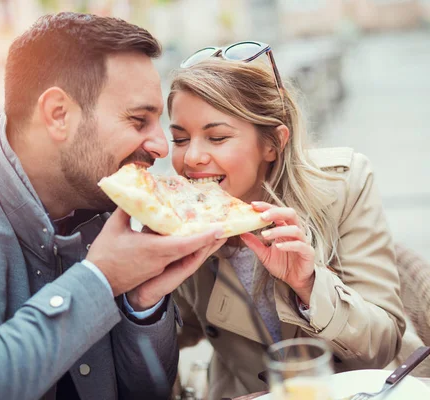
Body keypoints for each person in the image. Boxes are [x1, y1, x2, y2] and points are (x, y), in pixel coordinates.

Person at [0, 13, 226, 400]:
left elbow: (150, 391)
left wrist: (141, 306)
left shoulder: (113, 205)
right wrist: (100, 280)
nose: (162, 146)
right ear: (58, 115)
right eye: (138, 120)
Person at [167, 43, 409, 399]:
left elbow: (383, 343)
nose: (192, 156)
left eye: (217, 137)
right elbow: (173, 335)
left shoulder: (344, 185)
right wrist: (144, 288)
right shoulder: (177, 220)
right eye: (179, 139)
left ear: (273, 143)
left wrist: (310, 286)